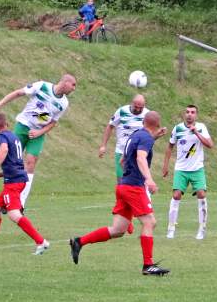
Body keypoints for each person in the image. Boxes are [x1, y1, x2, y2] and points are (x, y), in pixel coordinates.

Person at [70, 111, 170, 276]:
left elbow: (123, 160)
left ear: (144, 121)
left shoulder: (136, 135)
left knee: (118, 229)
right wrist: (149, 179)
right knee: (149, 222)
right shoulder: (145, 138)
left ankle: (79, 242)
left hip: (123, 186)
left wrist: (154, 138)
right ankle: (148, 265)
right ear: (157, 126)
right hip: (133, 188)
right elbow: (140, 158)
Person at [0, 74, 76, 209]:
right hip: (22, 126)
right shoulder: (42, 86)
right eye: (73, 85)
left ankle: (20, 203)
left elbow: (52, 122)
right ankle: (6, 196)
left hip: (38, 134)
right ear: (65, 83)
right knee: (13, 162)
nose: (74, 89)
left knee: (30, 163)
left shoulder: (64, 103)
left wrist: (39, 132)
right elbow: (19, 93)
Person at [0, 113, 49, 255]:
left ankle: (41, 242)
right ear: (7, 124)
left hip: (13, 183)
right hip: (19, 179)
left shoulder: (0, 137)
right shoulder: (14, 137)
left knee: (14, 214)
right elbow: (14, 164)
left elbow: (4, 150)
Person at [162, 105, 213, 240]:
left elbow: (210, 144)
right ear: (184, 114)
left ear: (196, 115)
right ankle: (171, 228)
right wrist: (165, 165)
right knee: (176, 194)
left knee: (201, 194)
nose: (190, 114)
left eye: (193, 112)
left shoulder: (201, 127)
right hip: (181, 169)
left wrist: (196, 132)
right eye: (187, 112)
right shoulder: (177, 128)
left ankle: (202, 229)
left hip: (197, 169)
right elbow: (169, 147)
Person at [99, 94, 149, 184]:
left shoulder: (147, 114)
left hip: (138, 155)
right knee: (121, 182)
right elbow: (110, 126)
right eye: (136, 107)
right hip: (121, 151)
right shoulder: (122, 111)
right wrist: (103, 145)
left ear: (144, 106)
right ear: (131, 104)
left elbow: (150, 133)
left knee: (139, 182)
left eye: (140, 108)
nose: (138, 110)